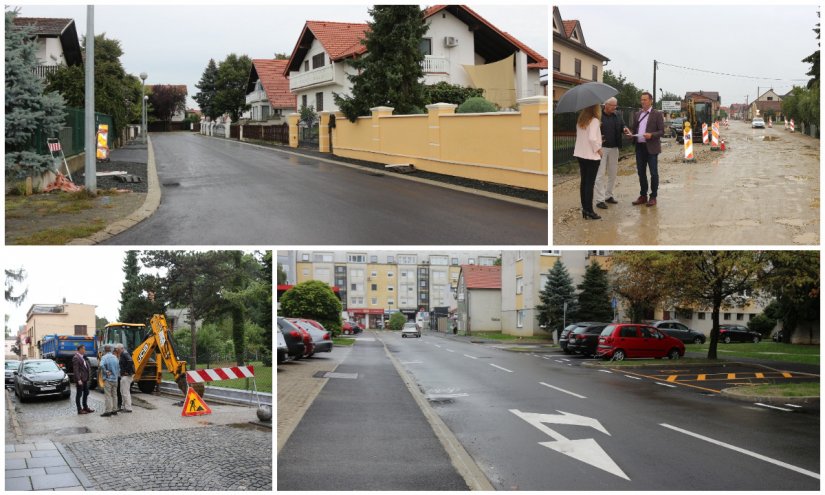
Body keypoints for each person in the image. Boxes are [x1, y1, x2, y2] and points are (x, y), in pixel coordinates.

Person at [625, 91, 665, 206]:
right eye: (641, 100)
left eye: (645, 100)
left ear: (650, 101)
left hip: (651, 148)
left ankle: (653, 196)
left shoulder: (657, 114)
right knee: (641, 173)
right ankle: (643, 195)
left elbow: (662, 131)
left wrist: (651, 135)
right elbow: (634, 129)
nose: (642, 102)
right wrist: (630, 134)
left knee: (653, 173)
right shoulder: (638, 114)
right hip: (640, 148)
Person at [595, 97, 628, 209]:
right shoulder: (598, 115)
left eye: (616, 105)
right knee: (600, 175)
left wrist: (625, 129)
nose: (615, 107)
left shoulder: (618, 115)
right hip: (601, 148)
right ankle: (599, 200)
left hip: (614, 148)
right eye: (613, 105)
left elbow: (623, 125)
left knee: (613, 173)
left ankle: (608, 195)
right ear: (606, 105)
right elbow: (593, 131)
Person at [573, 104, 603, 219]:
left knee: (584, 182)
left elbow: (584, 137)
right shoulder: (594, 120)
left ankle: (585, 210)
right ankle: (590, 211)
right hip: (591, 156)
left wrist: (599, 138)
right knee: (590, 184)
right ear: (595, 108)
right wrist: (599, 149)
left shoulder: (581, 120)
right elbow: (591, 138)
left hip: (581, 154)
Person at [71, 345, 94, 415]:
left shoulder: (82, 357)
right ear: (80, 349)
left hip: (84, 379)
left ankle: (85, 407)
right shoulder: (76, 358)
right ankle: (79, 409)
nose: (85, 350)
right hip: (80, 380)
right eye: (84, 349)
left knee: (86, 392)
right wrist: (78, 379)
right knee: (79, 395)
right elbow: (76, 370)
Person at [99, 344, 120, 417]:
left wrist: (106, 371)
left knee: (108, 395)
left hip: (108, 379)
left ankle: (108, 411)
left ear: (104, 350)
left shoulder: (104, 357)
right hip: (115, 379)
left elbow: (101, 365)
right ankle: (115, 410)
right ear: (110, 350)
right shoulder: (115, 357)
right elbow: (118, 368)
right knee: (115, 395)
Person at [116, 343, 135, 413]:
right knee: (123, 391)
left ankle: (128, 408)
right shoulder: (123, 354)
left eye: (117, 349)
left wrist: (126, 371)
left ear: (121, 348)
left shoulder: (124, 354)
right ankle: (124, 406)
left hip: (126, 376)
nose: (117, 350)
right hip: (125, 376)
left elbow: (130, 362)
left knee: (125, 392)